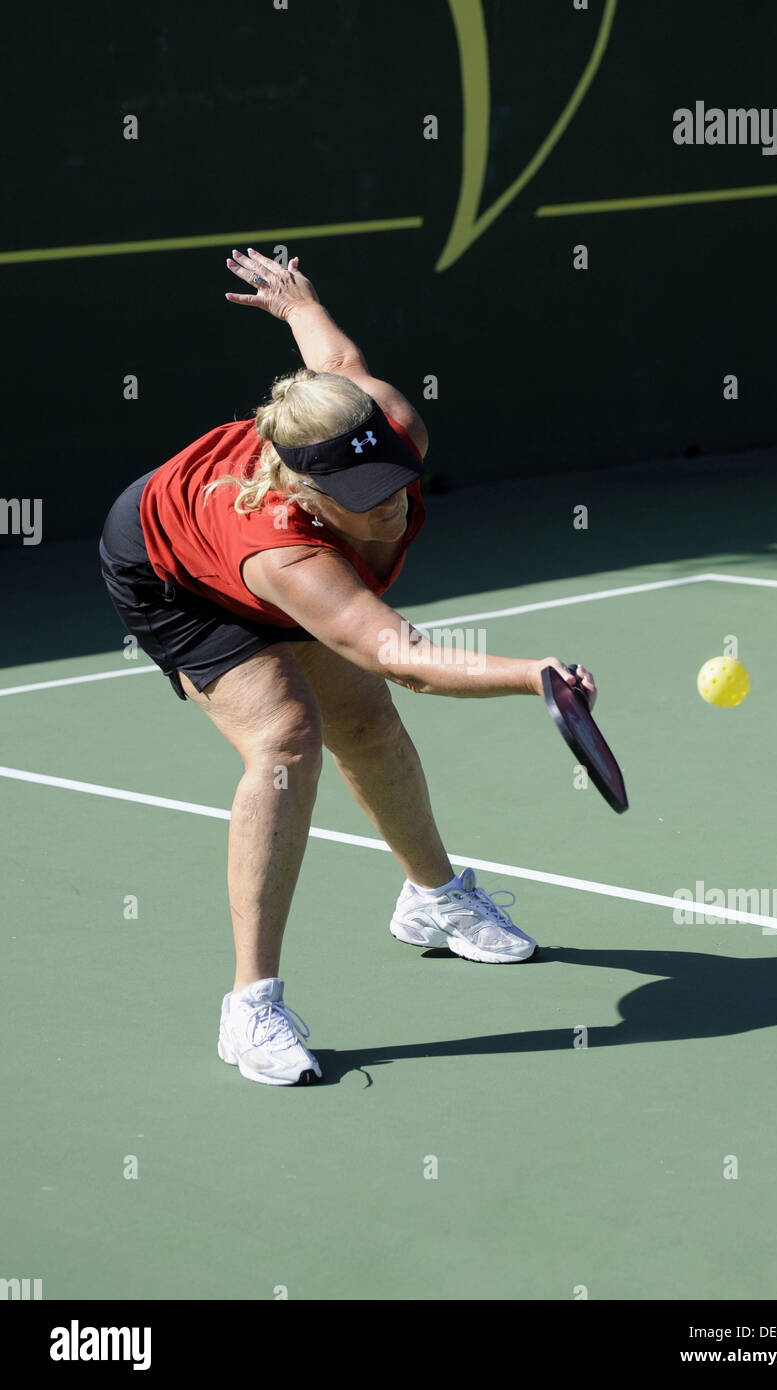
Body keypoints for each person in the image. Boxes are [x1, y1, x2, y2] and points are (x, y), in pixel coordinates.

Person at [98, 247, 596, 1087]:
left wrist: (297, 301)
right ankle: (250, 1006)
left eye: (395, 478)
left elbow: (334, 364)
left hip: (258, 546)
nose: (394, 498)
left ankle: (432, 901)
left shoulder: (384, 418)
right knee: (287, 740)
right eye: (365, 493)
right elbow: (397, 653)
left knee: (363, 721)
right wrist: (533, 675)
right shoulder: (283, 550)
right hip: (171, 571)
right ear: (305, 491)